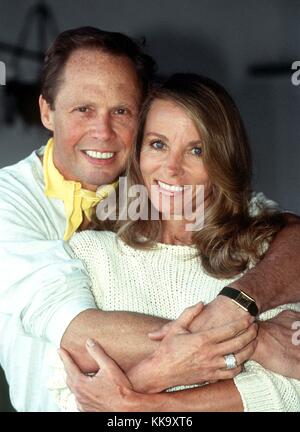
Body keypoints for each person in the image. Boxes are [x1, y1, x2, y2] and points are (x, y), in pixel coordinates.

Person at [0, 27, 299, 412]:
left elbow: (286, 235)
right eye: (83, 109)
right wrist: (249, 336)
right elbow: (74, 332)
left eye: (121, 111)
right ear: (47, 111)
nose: (103, 132)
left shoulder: (219, 217)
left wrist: (238, 303)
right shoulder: (17, 204)